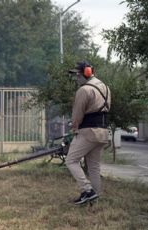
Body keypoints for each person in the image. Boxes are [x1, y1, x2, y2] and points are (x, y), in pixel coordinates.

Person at [66, 60, 111, 205]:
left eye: (78, 75)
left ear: (87, 73)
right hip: (103, 132)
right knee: (94, 166)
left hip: (88, 131)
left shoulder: (84, 90)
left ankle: (87, 190)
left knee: (71, 160)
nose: (76, 78)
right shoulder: (106, 88)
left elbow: (77, 114)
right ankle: (95, 198)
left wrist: (74, 128)